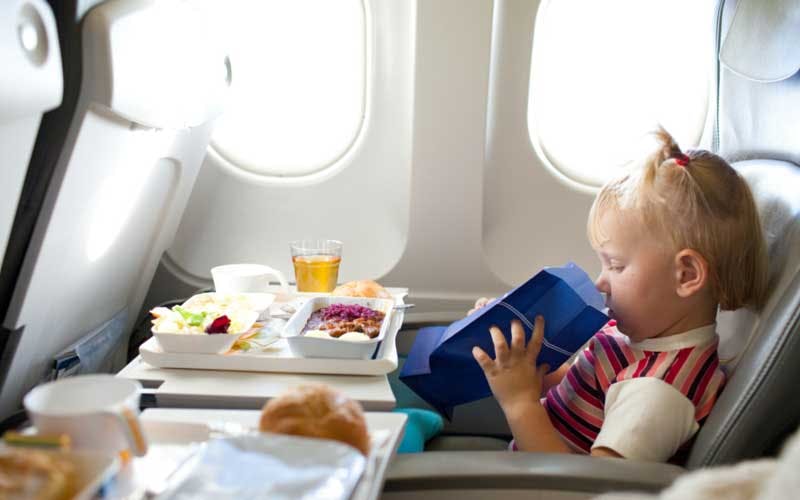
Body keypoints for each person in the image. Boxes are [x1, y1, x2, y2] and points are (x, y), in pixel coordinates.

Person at [471, 128, 769, 461]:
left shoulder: (658, 393)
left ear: (685, 275)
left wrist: (519, 404)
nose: (601, 282)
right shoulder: (637, 335)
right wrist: (522, 366)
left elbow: (586, 488)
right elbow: (584, 392)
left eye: (615, 265)